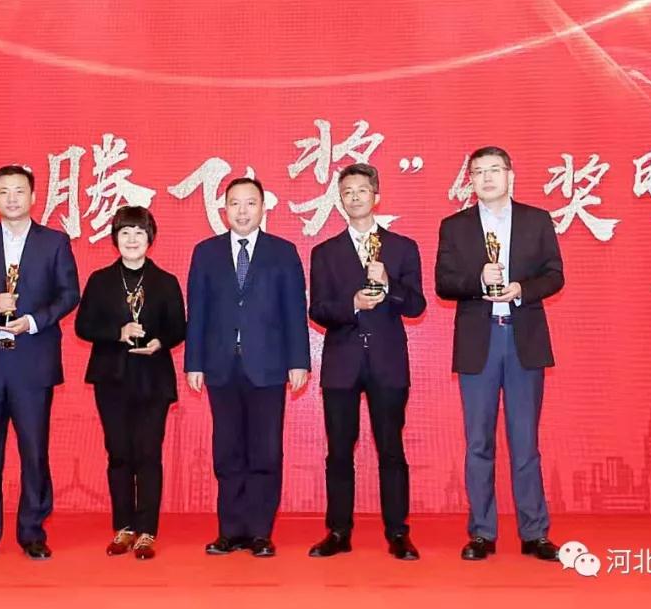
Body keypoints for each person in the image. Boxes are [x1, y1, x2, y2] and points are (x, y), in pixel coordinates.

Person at [434, 146, 564, 562]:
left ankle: (534, 532)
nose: (487, 178)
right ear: (470, 180)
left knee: (525, 442)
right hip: (480, 342)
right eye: (478, 172)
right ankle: (482, 533)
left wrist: (522, 289)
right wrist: (478, 281)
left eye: (494, 170)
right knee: (478, 443)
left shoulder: (536, 220)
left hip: (523, 339)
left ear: (511, 175)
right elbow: (443, 283)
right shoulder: (455, 226)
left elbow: (554, 275)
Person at [0, 164, 80, 561]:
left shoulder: (54, 242)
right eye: (4, 191)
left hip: (33, 361)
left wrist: (34, 321)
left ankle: (32, 531)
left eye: (19, 191)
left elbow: (69, 293)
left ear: (33, 197)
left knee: (34, 450)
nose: (12, 198)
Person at [184, 176, 310, 558]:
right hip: (220, 365)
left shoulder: (283, 252)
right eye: (235, 204)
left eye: (250, 203)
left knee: (265, 451)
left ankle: (259, 532)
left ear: (263, 208)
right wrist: (194, 362)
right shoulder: (205, 252)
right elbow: (197, 311)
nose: (242, 211)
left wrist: (299, 361)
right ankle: (230, 530)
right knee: (227, 451)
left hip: (268, 365)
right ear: (224, 210)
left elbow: (295, 311)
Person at [307, 163, 426, 560]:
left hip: (388, 362)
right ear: (340, 200)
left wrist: (389, 284)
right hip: (341, 364)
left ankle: (398, 532)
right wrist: (353, 304)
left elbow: (417, 305)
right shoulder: (325, 252)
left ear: (377, 195)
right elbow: (318, 309)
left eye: (361, 190)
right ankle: (338, 531)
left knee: (391, 449)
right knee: (339, 451)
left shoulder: (402, 247)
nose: (354, 197)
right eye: (347, 192)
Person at [75, 206, 185, 561]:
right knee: (119, 453)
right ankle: (123, 527)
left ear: (150, 238)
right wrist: (117, 332)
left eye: (139, 233)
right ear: (115, 239)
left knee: (148, 453)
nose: (132, 239)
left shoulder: (165, 281)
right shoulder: (100, 280)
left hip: (153, 378)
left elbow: (179, 327)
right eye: (125, 233)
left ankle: (147, 531)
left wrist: (160, 341)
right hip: (112, 378)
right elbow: (82, 326)